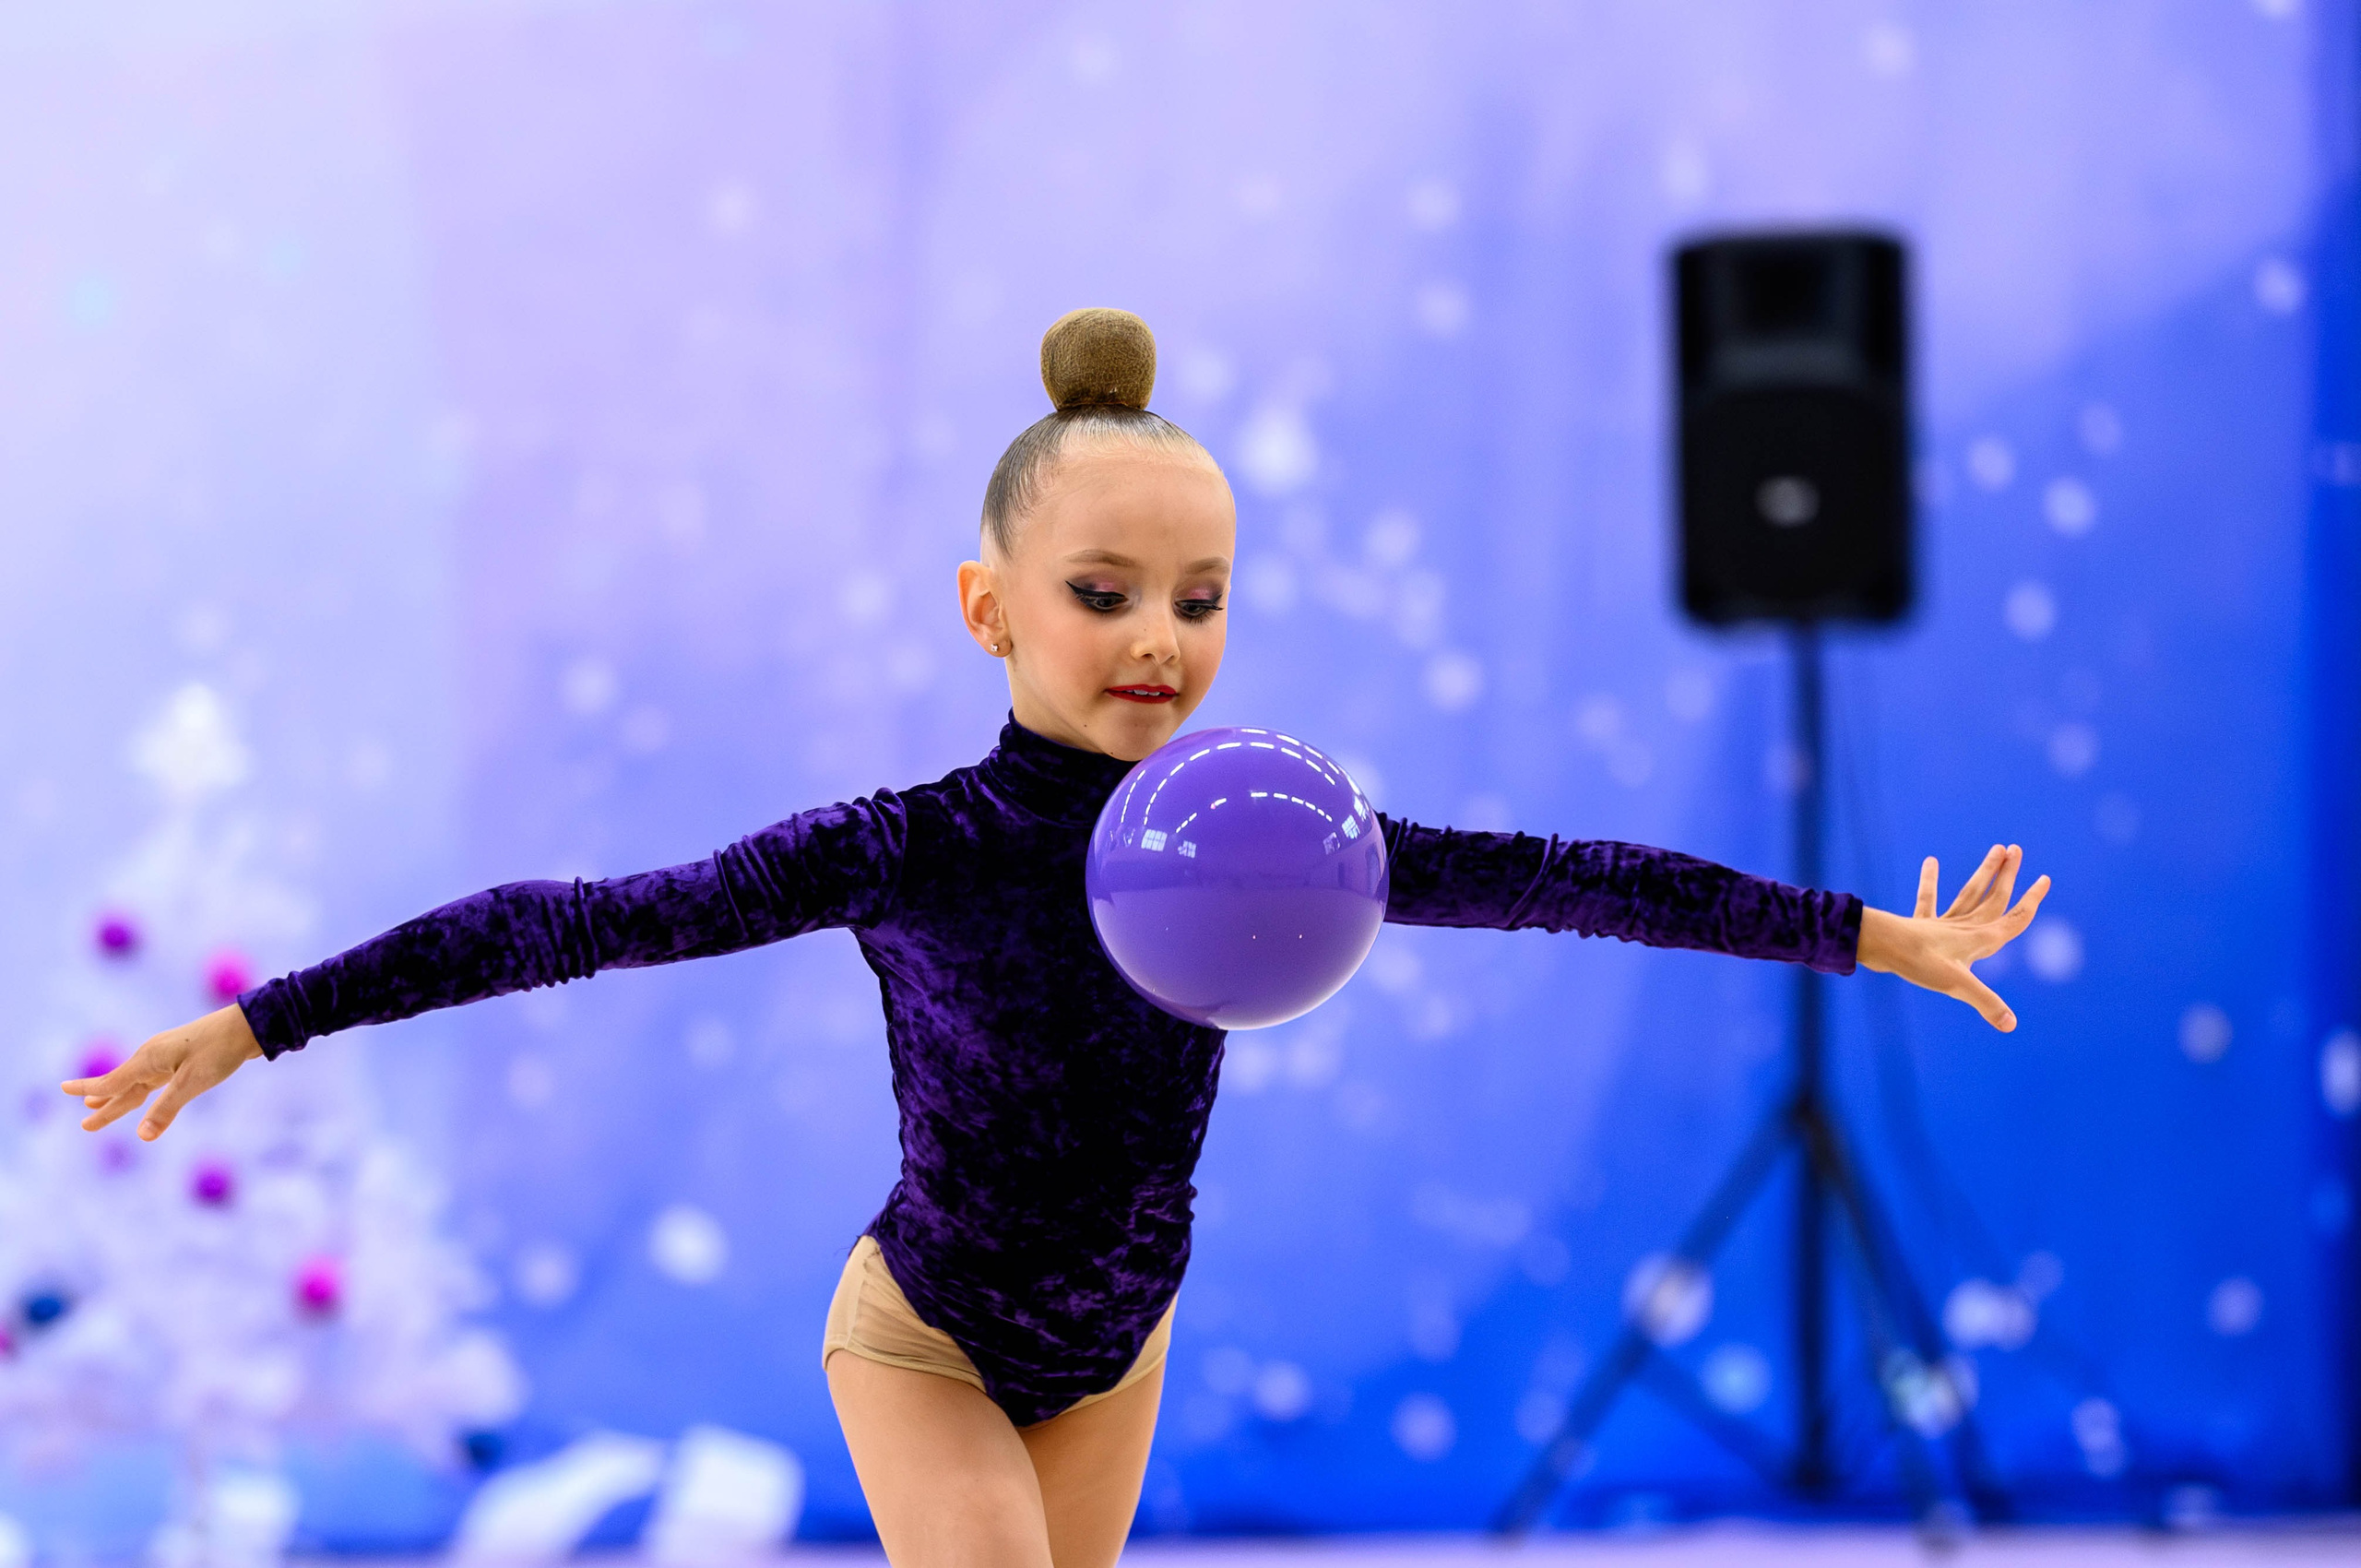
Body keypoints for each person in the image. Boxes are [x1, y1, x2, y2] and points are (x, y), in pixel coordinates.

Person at [64, 309, 2049, 1568]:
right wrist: (268, 1025)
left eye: (1198, 596)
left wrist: (1863, 934)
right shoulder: (911, 846)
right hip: (923, 1327)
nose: (1159, 638)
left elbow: (1566, 875)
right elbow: (581, 922)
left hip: (1119, 1337)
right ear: (986, 605)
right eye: (1102, 589)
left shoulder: (1282, 840)